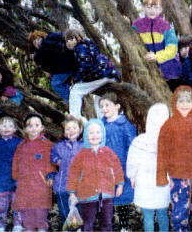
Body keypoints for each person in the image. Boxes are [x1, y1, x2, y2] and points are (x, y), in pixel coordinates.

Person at [157, 85, 192, 231]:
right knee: (179, 213)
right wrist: (161, 175)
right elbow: (162, 151)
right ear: (174, 103)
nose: (184, 105)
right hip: (178, 176)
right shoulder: (168, 125)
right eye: (180, 102)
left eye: (188, 101)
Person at [67, 119, 124, 231]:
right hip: (87, 196)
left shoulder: (108, 152)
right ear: (85, 135)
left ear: (103, 134)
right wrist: (72, 192)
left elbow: (117, 168)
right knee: (87, 223)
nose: (95, 135)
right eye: (91, 132)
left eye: (98, 132)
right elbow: (73, 174)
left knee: (107, 223)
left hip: (106, 194)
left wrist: (120, 184)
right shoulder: (81, 155)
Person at [126, 103, 171, 232]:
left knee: (148, 217)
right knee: (163, 214)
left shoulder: (139, 141)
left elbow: (132, 163)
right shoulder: (170, 141)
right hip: (163, 183)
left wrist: (132, 177)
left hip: (145, 184)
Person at [12, 113, 56, 232]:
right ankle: (29, 228)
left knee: (41, 208)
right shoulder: (21, 146)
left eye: (37, 125)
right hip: (24, 184)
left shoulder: (47, 144)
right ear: (25, 129)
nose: (33, 128)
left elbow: (51, 161)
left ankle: (42, 228)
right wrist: (15, 178)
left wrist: (51, 174)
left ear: (42, 127)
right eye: (30, 126)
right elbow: (16, 162)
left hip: (40, 183)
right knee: (26, 208)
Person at [99, 92, 137, 232]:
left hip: (122, 166)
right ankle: (108, 224)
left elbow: (132, 145)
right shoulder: (101, 124)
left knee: (123, 198)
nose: (104, 108)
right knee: (107, 198)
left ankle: (124, 225)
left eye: (107, 105)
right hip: (104, 168)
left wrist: (130, 166)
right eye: (102, 106)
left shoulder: (125, 124)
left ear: (117, 106)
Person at [64, 29, 120, 120]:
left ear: (78, 38)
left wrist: (77, 80)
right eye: (67, 40)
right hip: (109, 75)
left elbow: (84, 65)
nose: (69, 42)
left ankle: (74, 118)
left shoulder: (80, 47)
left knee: (75, 90)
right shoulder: (88, 45)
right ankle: (103, 121)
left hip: (102, 75)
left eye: (71, 39)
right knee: (99, 99)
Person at [132, 0, 182, 91]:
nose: (152, 10)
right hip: (152, 74)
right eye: (149, 7)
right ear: (143, 8)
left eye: (156, 7)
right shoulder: (137, 25)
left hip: (171, 72)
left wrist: (156, 56)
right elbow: (129, 35)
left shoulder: (166, 26)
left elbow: (172, 49)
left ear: (160, 9)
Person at [50, 116, 84, 226]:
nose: (71, 131)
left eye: (74, 128)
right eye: (68, 129)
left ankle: (78, 226)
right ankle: (67, 225)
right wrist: (58, 161)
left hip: (79, 183)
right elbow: (53, 157)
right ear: (64, 132)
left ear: (80, 130)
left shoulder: (84, 145)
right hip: (62, 183)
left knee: (78, 205)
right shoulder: (59, 146)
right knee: (64, 207)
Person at [27, 30, 77, 103]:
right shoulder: (46, 44)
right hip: (67, 66)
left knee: (55, 84)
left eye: (38, 39)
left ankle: (71, 98)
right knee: (59, 83)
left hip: (68, 66)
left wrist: (35, 57)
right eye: (34, 43)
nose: (37, 42)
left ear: (42, 37)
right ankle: (71, 96)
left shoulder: (45, 44)